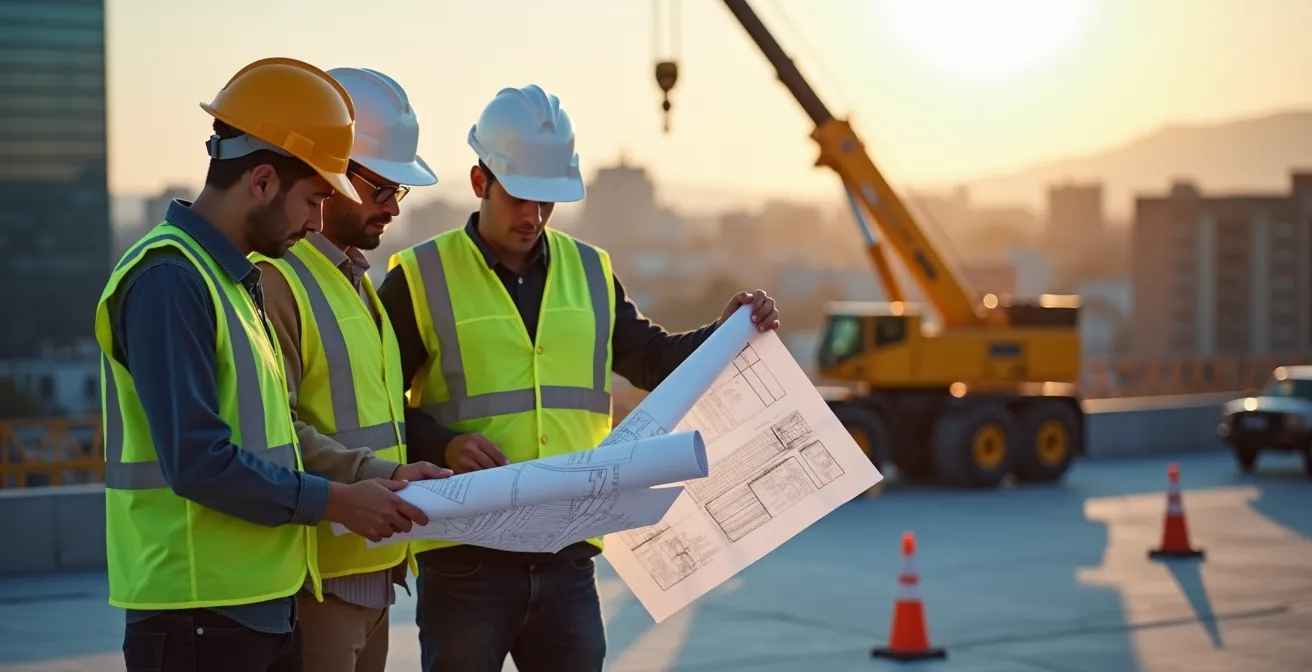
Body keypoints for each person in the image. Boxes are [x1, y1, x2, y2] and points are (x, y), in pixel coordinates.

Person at [376, 84, 781, 672]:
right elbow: (379, 407)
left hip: (567, 555)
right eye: (519, 197)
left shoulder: (590, 270)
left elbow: (652, 359)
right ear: (477, 180)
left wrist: (725, 331)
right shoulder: (418, 276)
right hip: (467, 558)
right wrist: (446, 444)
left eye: (547, 201)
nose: (533, 216)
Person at [96, 57, 432, 672]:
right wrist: (337, 502)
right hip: (197, 613)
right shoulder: (169, 280)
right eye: (312, 199)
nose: (315, 222)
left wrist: (378, 473)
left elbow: (278, 433)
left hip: (259, 604)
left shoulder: (230, 281)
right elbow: (199, 461)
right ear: (260, 182)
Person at [252, 66, 447, 672]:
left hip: (375, 569)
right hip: (318, 579)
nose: (392, 207)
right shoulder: (279, 278)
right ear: (330, 177)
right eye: (381, 188)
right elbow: (273, 425)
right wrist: (378, 474)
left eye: (399, 192)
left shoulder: (358, 284)